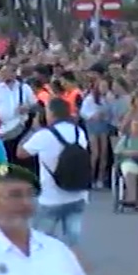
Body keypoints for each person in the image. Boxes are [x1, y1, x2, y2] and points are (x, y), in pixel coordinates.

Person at [17, 98, 90, 253]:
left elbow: (21, 153)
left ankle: (45, 271)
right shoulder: (79, 132)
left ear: (51, 113)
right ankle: (74, 268)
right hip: (78, 194)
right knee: (73, 240)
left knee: (41, 240)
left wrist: (32, 130)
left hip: (51, 197)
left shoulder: (44, 135)